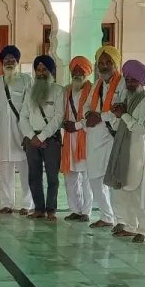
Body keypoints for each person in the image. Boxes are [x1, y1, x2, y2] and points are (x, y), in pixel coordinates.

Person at [104, 60, 145, 243]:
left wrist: (123, 114)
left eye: (133, 79)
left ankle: (144, 229)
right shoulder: (127, 98)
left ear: (141, 81)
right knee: (122, 190)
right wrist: (115, 114)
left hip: (137, 151)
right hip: (122, 149)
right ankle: (129, 225)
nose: (130, 82)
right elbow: (118, 123)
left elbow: (142, 128)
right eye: (127, 79)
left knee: (137, 191)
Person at [0, 45, 34, 215]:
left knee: (26, 170)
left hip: (22, 134)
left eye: (12, 59)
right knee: (4, 170)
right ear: (2, 62)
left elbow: (31, 108)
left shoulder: (26, 80)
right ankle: (6, 203)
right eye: (6, 59)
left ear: (17, 61)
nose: (9, 62)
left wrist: (30, 134)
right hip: (2, 134)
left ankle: (27, 205)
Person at [83, 46, 125, 229]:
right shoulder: (97, 85)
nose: (105, 66)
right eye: (101, 63)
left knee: (115, 180)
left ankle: (121, 219)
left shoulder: (123, 84)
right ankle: (106, 216)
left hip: (113, 137)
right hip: (94, 139)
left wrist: (100, 116)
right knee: (94, 178)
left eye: (109, 62)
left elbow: (121, 109)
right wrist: (88, 115)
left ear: (116, 63)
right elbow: (86, 106)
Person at [19, 55, 64, 221]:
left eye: (44, 69)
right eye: (38, 70)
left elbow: (58, 117)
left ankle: (51, 209)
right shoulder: (30, 91)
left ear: (51, 71)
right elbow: (23, 117)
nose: (41, 73)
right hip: (32, 140)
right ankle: (39, 208)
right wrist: (33, 136)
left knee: (52, 176)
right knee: (34, 176)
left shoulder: (58, 90)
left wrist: (43, 136)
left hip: (51, 139)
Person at [61, 57, 93, 222]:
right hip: (69, 138)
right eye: (75, 70)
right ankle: (75, 209)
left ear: (87, 72)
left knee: (86, 178)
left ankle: (86, 211)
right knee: (70, 177)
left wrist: (78, 125)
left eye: (81, 70)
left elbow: (94, 115)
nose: (77, 73)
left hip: (86, 137)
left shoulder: (93, 91)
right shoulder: (66, 91)